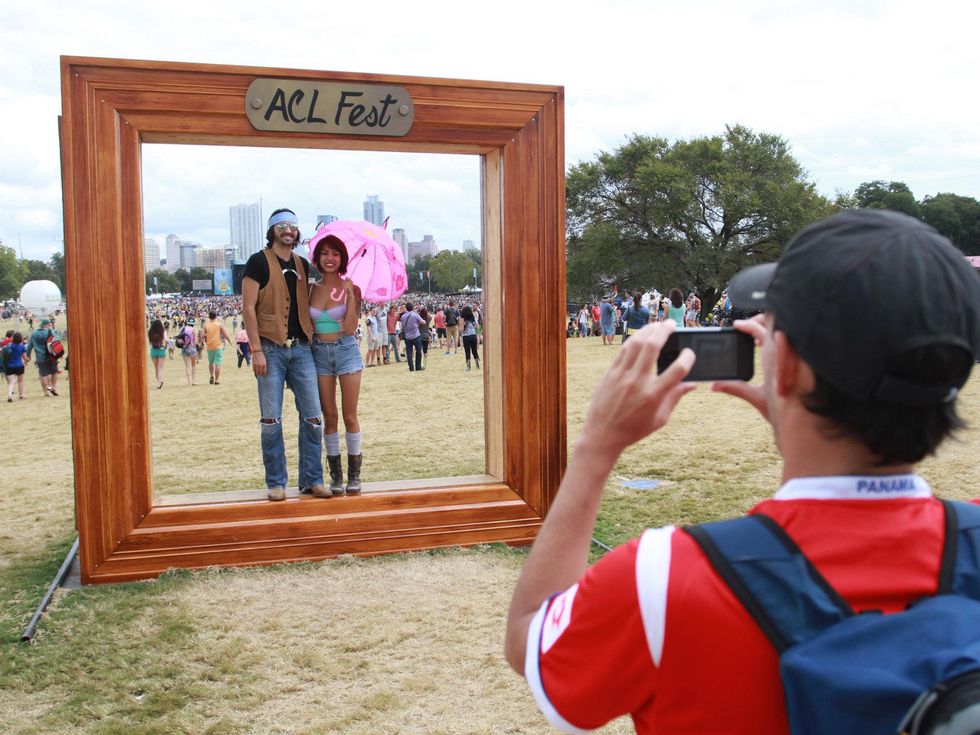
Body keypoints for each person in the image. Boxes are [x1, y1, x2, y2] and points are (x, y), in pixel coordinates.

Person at [504, 210, 980, 734]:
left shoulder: (665, 576)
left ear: (792, 366)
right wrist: (799, 418)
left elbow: (531, 637)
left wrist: (597, 447)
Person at [242, 208, 325, 501]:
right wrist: (255, 349)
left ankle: (312, 479)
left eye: (292, 226)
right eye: (282, 226)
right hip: (270, 348)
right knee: (271, 419)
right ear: (272, 230)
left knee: (314, 417)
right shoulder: (257, 262)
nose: (288, 230)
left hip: (302, 348)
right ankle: (276, 482)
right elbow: (248, 307)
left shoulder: (302, 264)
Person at [308, 233, 364, 496]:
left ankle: (354, 476)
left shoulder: (351, 288)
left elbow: (351, 328)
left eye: (335, 254)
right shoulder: (310, 289)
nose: (330, 258)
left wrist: (350, 299)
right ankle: (336, 478)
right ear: (318, 258)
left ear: (342, 258)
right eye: (325, 253)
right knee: (329, 417)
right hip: (319, 353)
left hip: (346, 350)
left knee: (350, 414)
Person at [26, 319, 60, 396]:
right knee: (54, 372)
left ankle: (46, 391)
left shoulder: (34, 334)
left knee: (43, 375)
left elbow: (30, 346)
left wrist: (28, 356)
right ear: (47, 325)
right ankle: (53, 387)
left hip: (40, 357)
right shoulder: (50, 332)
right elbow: (58, 340)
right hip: (51, 356)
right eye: (50, 325)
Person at [203, 310, 233, 385]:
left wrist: (202, 342)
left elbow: (202, 336)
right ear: (216, 316)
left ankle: (211, 375)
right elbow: (225, 335)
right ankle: (216, 380)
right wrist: (230, 341)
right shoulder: (220, 325)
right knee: (218, 364)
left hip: (209, 346)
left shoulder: (206, 325)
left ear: (209, 317)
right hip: (218, 346)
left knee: (211, 362)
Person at [399, 302, 426, 372]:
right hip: (416, 335)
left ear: (406, 308)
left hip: (407, 337)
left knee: (409, 353)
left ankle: (411, 367)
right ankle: (418, 366)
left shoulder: (403, 316)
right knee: (418, 351)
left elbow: (401, 327)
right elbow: (423, 322)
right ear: (413, 307)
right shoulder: (415, 315)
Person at [3, 332, 28, 401]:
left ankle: (9, 396)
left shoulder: (9, 346)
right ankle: (21, 396)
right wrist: (27, 360)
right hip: (19, 366)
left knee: (11, 382)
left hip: (9, 366)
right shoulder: (22, 346)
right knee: (20, 382)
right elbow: (25, 357)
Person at [178, 318, 199, 386]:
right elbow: (195, 342)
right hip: (192, 348)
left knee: (187, 366)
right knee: (193, 366)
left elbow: (179, 338)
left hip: (184, 348)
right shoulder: (194, 330)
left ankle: (189, 382)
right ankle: (193, 381)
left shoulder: (183, 329)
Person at [460, 304, 480, 371]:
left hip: (466, 336)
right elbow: (477, 326)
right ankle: (477, 365)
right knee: (474, 350)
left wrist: (461, 328)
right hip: (473, 335)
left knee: (467, 351)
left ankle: (468, 367)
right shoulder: (473, 317)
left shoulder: (462, 318)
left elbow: (462, 329)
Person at [147, 319, 166, 389]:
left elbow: (150, 342)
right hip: (161, 349)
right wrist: (165, 347)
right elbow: (165, 340)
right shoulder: (162, 332)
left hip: (153, 350)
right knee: (160, 367)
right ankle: (160, 381)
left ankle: (158, 382)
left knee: (156, 367)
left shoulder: (150, 332)